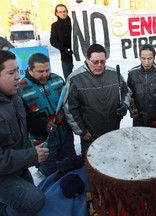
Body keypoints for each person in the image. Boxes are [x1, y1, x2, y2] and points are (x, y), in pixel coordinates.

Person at [0, 50, 47, 215]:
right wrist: (31, 155)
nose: (17, 77)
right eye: (11, 72)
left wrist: (33, 148)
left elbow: (18, 133)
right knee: (33, 201)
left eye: (17, 71)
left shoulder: (15, 97)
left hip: (17, 167)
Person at [64, 44, 131, 156]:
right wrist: (82, 131)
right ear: (87, 59)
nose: (99, 65)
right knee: (93, 167)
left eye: (103, 61)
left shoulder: (114, 74)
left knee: (114, 160)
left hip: (113, 129)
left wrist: (124, 105)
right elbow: (70, 108)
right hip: (91, 134)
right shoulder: (75, 78)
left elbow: (126, 91)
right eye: (95, 62)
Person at [19, 53, 76, 177]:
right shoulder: (20, 88)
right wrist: (42, 126)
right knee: (51, 175)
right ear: (30, 69)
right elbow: (22, 119)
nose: (45, 74)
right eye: (40, 71)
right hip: (43, 143)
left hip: (65, 136)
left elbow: (67, 104)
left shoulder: (57, 79)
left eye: (47, 70)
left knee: (71, 168)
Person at [127, 44, 156, 130]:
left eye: (149, 58)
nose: (146, 62)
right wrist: (132, 109)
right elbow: (129, 95)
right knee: (139, 143)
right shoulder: (132, 73)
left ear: (154, 57)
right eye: (143, 58)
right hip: (139, 120)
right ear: (139, 57)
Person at [50, 4, 73, 80]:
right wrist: (63, 47)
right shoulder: (55, 26)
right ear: (56, 13)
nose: (63, 13)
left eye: (64, 11)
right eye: (60, 12)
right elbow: (52, 41)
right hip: (65, 57)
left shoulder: (73, 22)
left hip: (78, 56)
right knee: (69, 79)